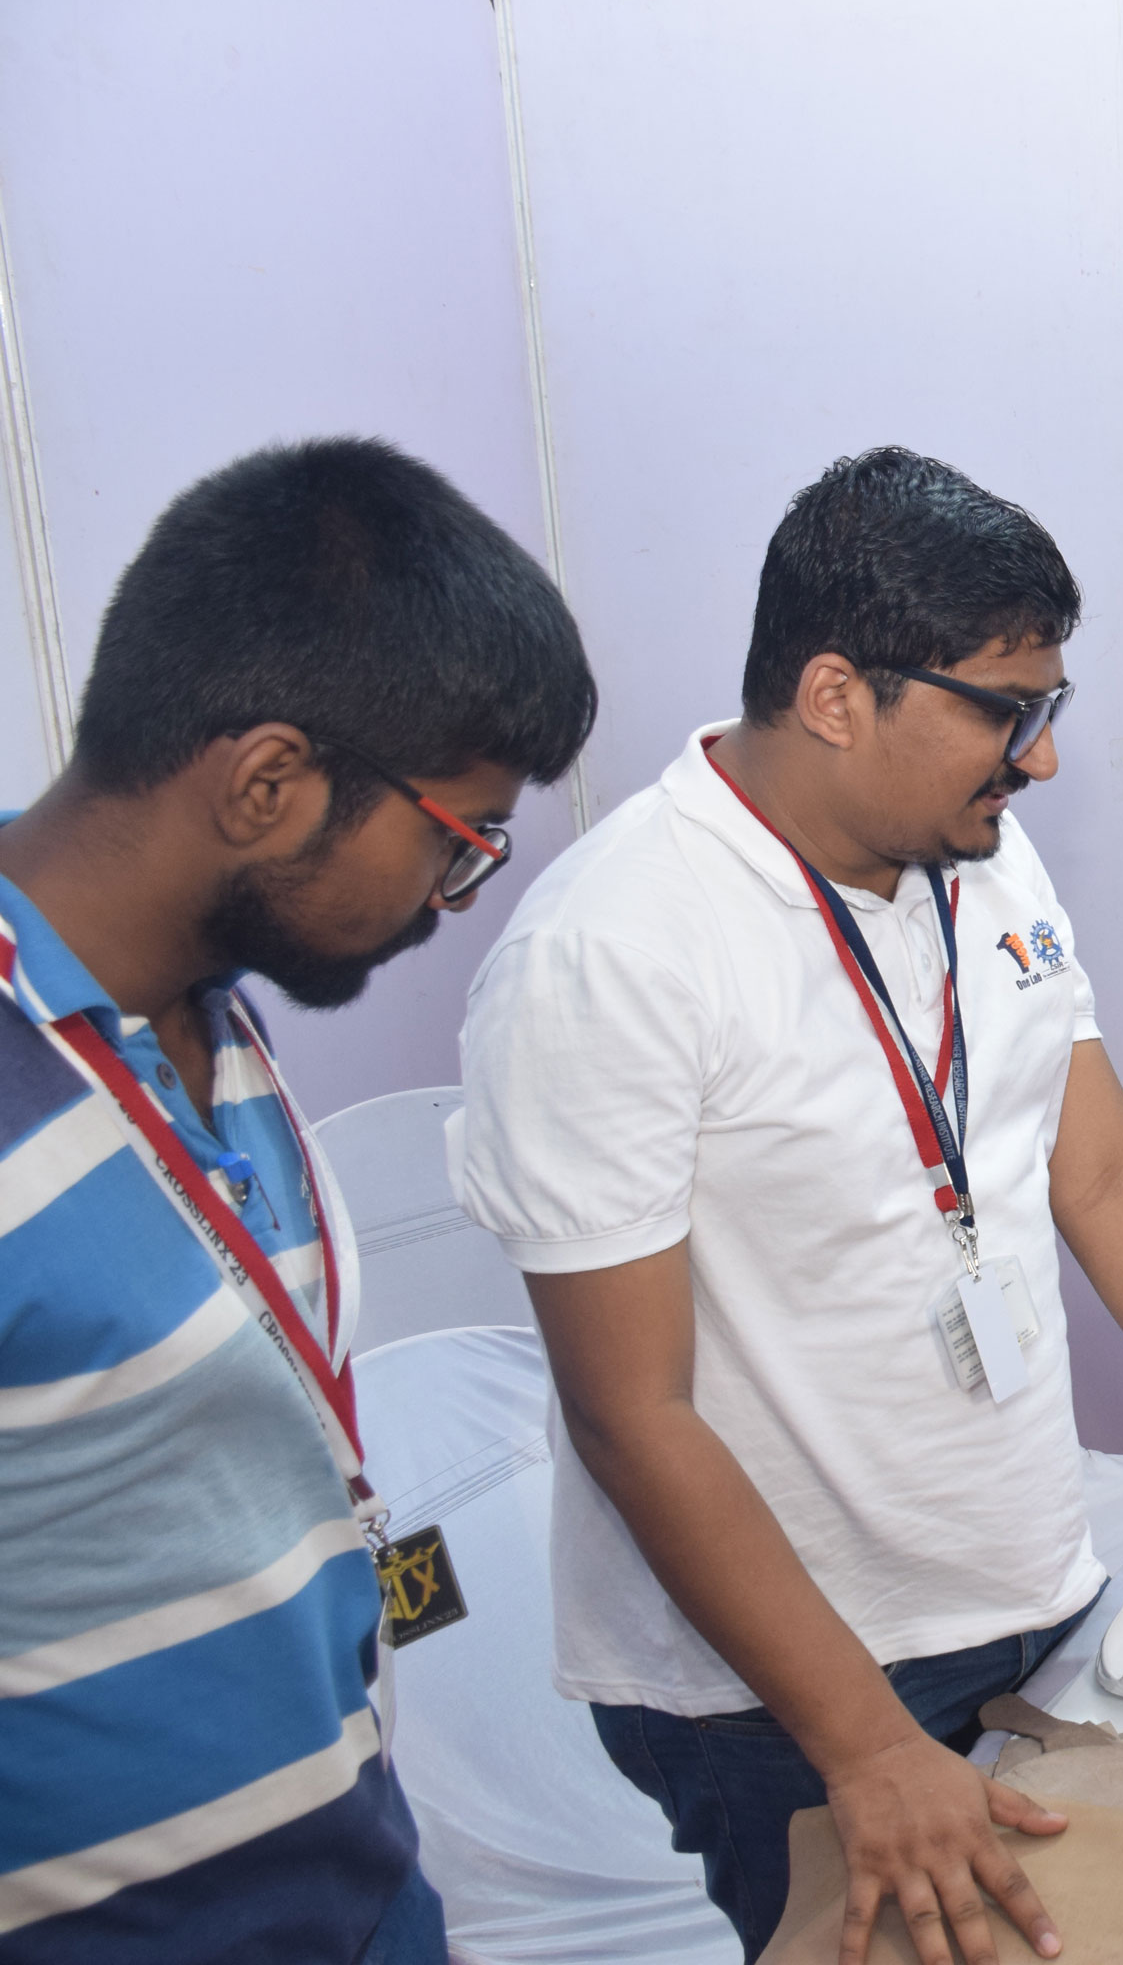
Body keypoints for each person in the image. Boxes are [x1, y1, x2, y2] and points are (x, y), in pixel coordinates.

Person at [456, 447, 1123, 1965]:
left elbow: (1097, 1171)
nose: (1039, 760)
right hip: (789, 1693)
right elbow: (628, 1415)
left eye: (1050, 707)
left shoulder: (975, 852)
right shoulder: (612, 954)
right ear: (836, 696)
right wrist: (862, 1746)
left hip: (1024, 1587)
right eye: (1009, 709)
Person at [0, 439, 596, 1964]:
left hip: (352, 1890)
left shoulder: (218, 1020)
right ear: (269, 784)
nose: (450, 902)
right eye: (455, 842)